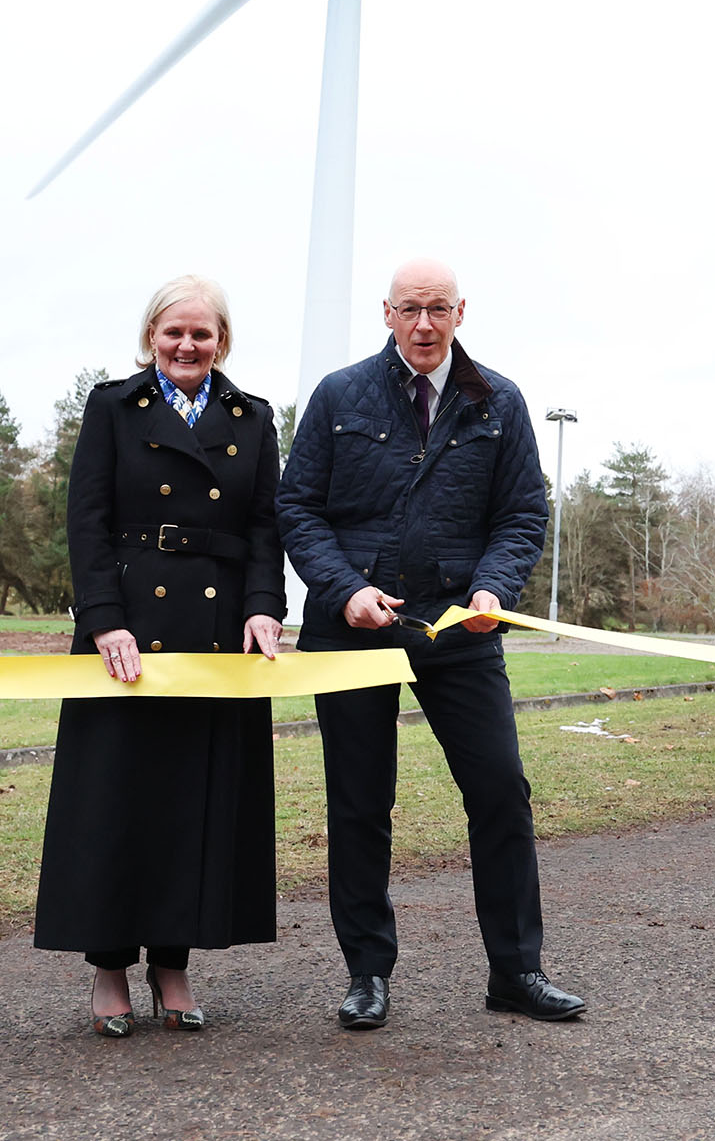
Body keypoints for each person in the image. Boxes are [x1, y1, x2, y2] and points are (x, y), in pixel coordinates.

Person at [277, 258, 585, 1029]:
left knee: (500, 792)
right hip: (350, 633)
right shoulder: (338, 395)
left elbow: (522, 514)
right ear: (386, 312)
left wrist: (494, 590)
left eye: (438, 309)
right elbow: (298, 507)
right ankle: (367, 976)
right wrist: (344, 590)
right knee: (359, 803)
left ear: (460, 313)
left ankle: (517, 972)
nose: (424, 323)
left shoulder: (499, 402)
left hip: (459, 630)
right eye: (410, 308)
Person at [34, 276, 287, 1037]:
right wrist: (104, 617)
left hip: (218, 643)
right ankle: (109, 967)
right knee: (115, 801)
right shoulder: (113, 407)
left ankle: (172, 961)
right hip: (126, 637)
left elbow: (266, 528)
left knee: (194, 803)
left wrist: (264, 607)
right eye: (173, 332)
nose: (186, 346)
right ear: (151, 335)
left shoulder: (254, 418)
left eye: (202, 335)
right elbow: (88, 518)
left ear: (223, 342)